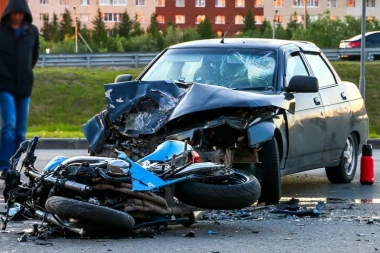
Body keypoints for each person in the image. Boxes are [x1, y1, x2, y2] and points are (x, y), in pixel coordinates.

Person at [0, 0, 40, 180]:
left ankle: (14, 167)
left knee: (20, 132)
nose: (17, 16)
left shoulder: (32, 32)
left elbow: (34, 56)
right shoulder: (1, 32)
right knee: (9, 126)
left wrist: (25, 72)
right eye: (14, 13)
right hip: (5, 85)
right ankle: (4, 165)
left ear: (25, 14)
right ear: (9, 14)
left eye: (20, 13)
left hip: (24, 86)